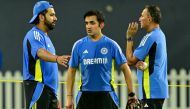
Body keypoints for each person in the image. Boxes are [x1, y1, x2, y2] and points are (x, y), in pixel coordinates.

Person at [66, 10, 137, 109]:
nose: (88, 26)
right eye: (86, 23)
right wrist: (69, 97)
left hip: (107, 95)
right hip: (85, 96)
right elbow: (71, 70)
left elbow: (125, 68)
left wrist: (132, 94)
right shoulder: (78, 45)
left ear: (101, 25)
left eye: (92, 23)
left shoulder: (111, 45)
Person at [23, 1, 70, 109]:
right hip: (38, 90)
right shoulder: (34, 34)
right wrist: (57, 58)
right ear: (41, 17)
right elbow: (40, 52)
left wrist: (54, 96)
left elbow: (48, 70)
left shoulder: (45, 37)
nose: (55, 18)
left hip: (48, 91)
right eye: (52, 15)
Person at [126, 5, 169, 109]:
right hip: (157, 89)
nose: (140, 19)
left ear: (149, 18)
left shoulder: (150, 37)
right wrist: (145, 64)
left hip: (151, 90)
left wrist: (129, 37)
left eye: (142, 16)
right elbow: (154, 61)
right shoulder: (160, 34)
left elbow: (130, 60)